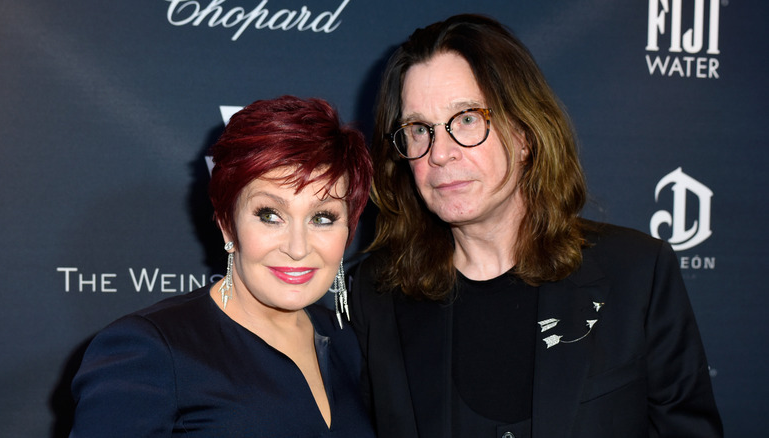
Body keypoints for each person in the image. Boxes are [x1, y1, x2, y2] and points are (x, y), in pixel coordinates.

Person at [349, 14, 723, 438]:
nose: (440, 153)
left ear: (524, 133)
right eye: (419, 129)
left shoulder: (637, 273)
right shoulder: (373, 295)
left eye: (467, 119)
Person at [70, 96, 375, 437]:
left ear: (348, 228)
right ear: (228, 225)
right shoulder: (151, 352)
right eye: (270, 215)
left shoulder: (345, 341)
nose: (297, 247)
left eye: (322, 217)